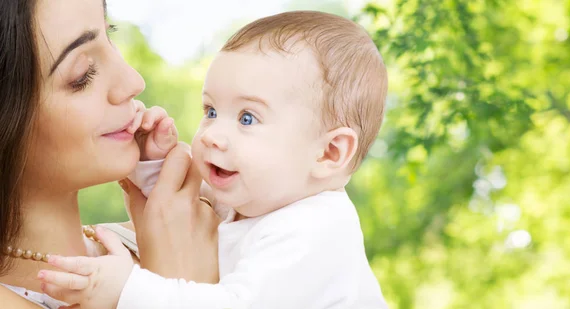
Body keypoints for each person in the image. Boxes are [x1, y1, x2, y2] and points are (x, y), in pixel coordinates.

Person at [39, 10, 389, 309]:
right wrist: (153, 164)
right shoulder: (262, 199)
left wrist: (127, 290)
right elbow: (187, 209)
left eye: (247, 118)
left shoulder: (314, 233)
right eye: (211, 110)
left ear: (329, 153)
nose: (209, 135)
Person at [0, 0, 220, 308]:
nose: (133, 81)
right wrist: (173, 291)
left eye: (110, 34)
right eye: (83, 75)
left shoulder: (173, 232)